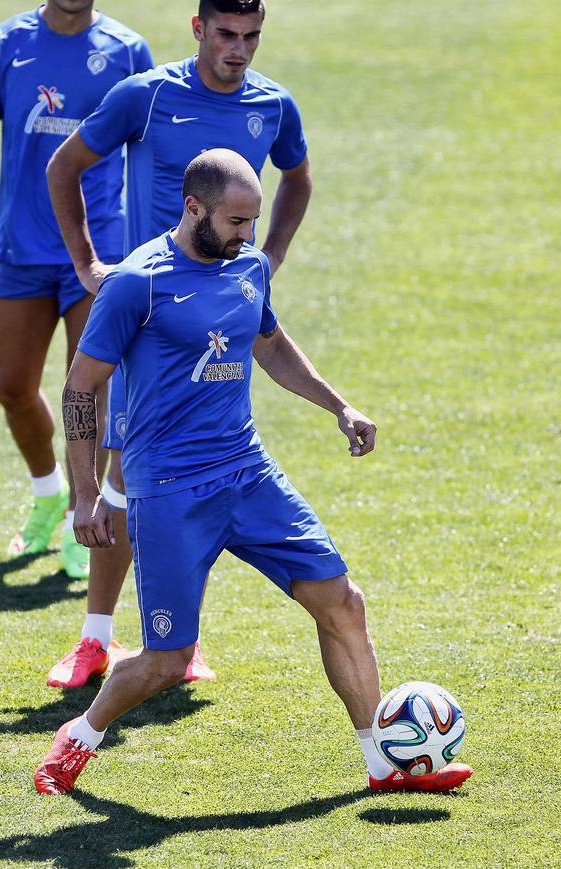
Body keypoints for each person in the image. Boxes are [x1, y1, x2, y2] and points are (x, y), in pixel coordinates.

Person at [34, 150, 474, 795]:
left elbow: (268, 344)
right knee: (166, 661)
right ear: (194, 208)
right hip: (170, 492)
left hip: (248, 474)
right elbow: (80, 389)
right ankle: (81, 736)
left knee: (342, 603)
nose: (247, 236)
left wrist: (339, 405)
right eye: (236, 222)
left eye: (254, 221)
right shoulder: (138, 283)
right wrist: (86, 495)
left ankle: (385, 763)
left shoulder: (248, 270)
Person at [43, 0, 313, 688]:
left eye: (252, 36)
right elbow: (64, 165)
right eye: (226, 33)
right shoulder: (147, 94)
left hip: (213, 319)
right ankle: (96, 638)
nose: (239, 49)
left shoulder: (273, 105)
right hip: (150, 315)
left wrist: (271, 255)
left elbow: (298, 177)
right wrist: (86, 265)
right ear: (198, 29)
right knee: (122, 470)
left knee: (199, 472)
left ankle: (176, 638)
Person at [0, 1, 152, 578]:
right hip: (21, 247)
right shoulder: (4, 42)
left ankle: (76, 516)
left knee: (84, 393)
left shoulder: (127, 50)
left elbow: (147, 156)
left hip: (98, 253)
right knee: (12, 387)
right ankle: (46, 488)